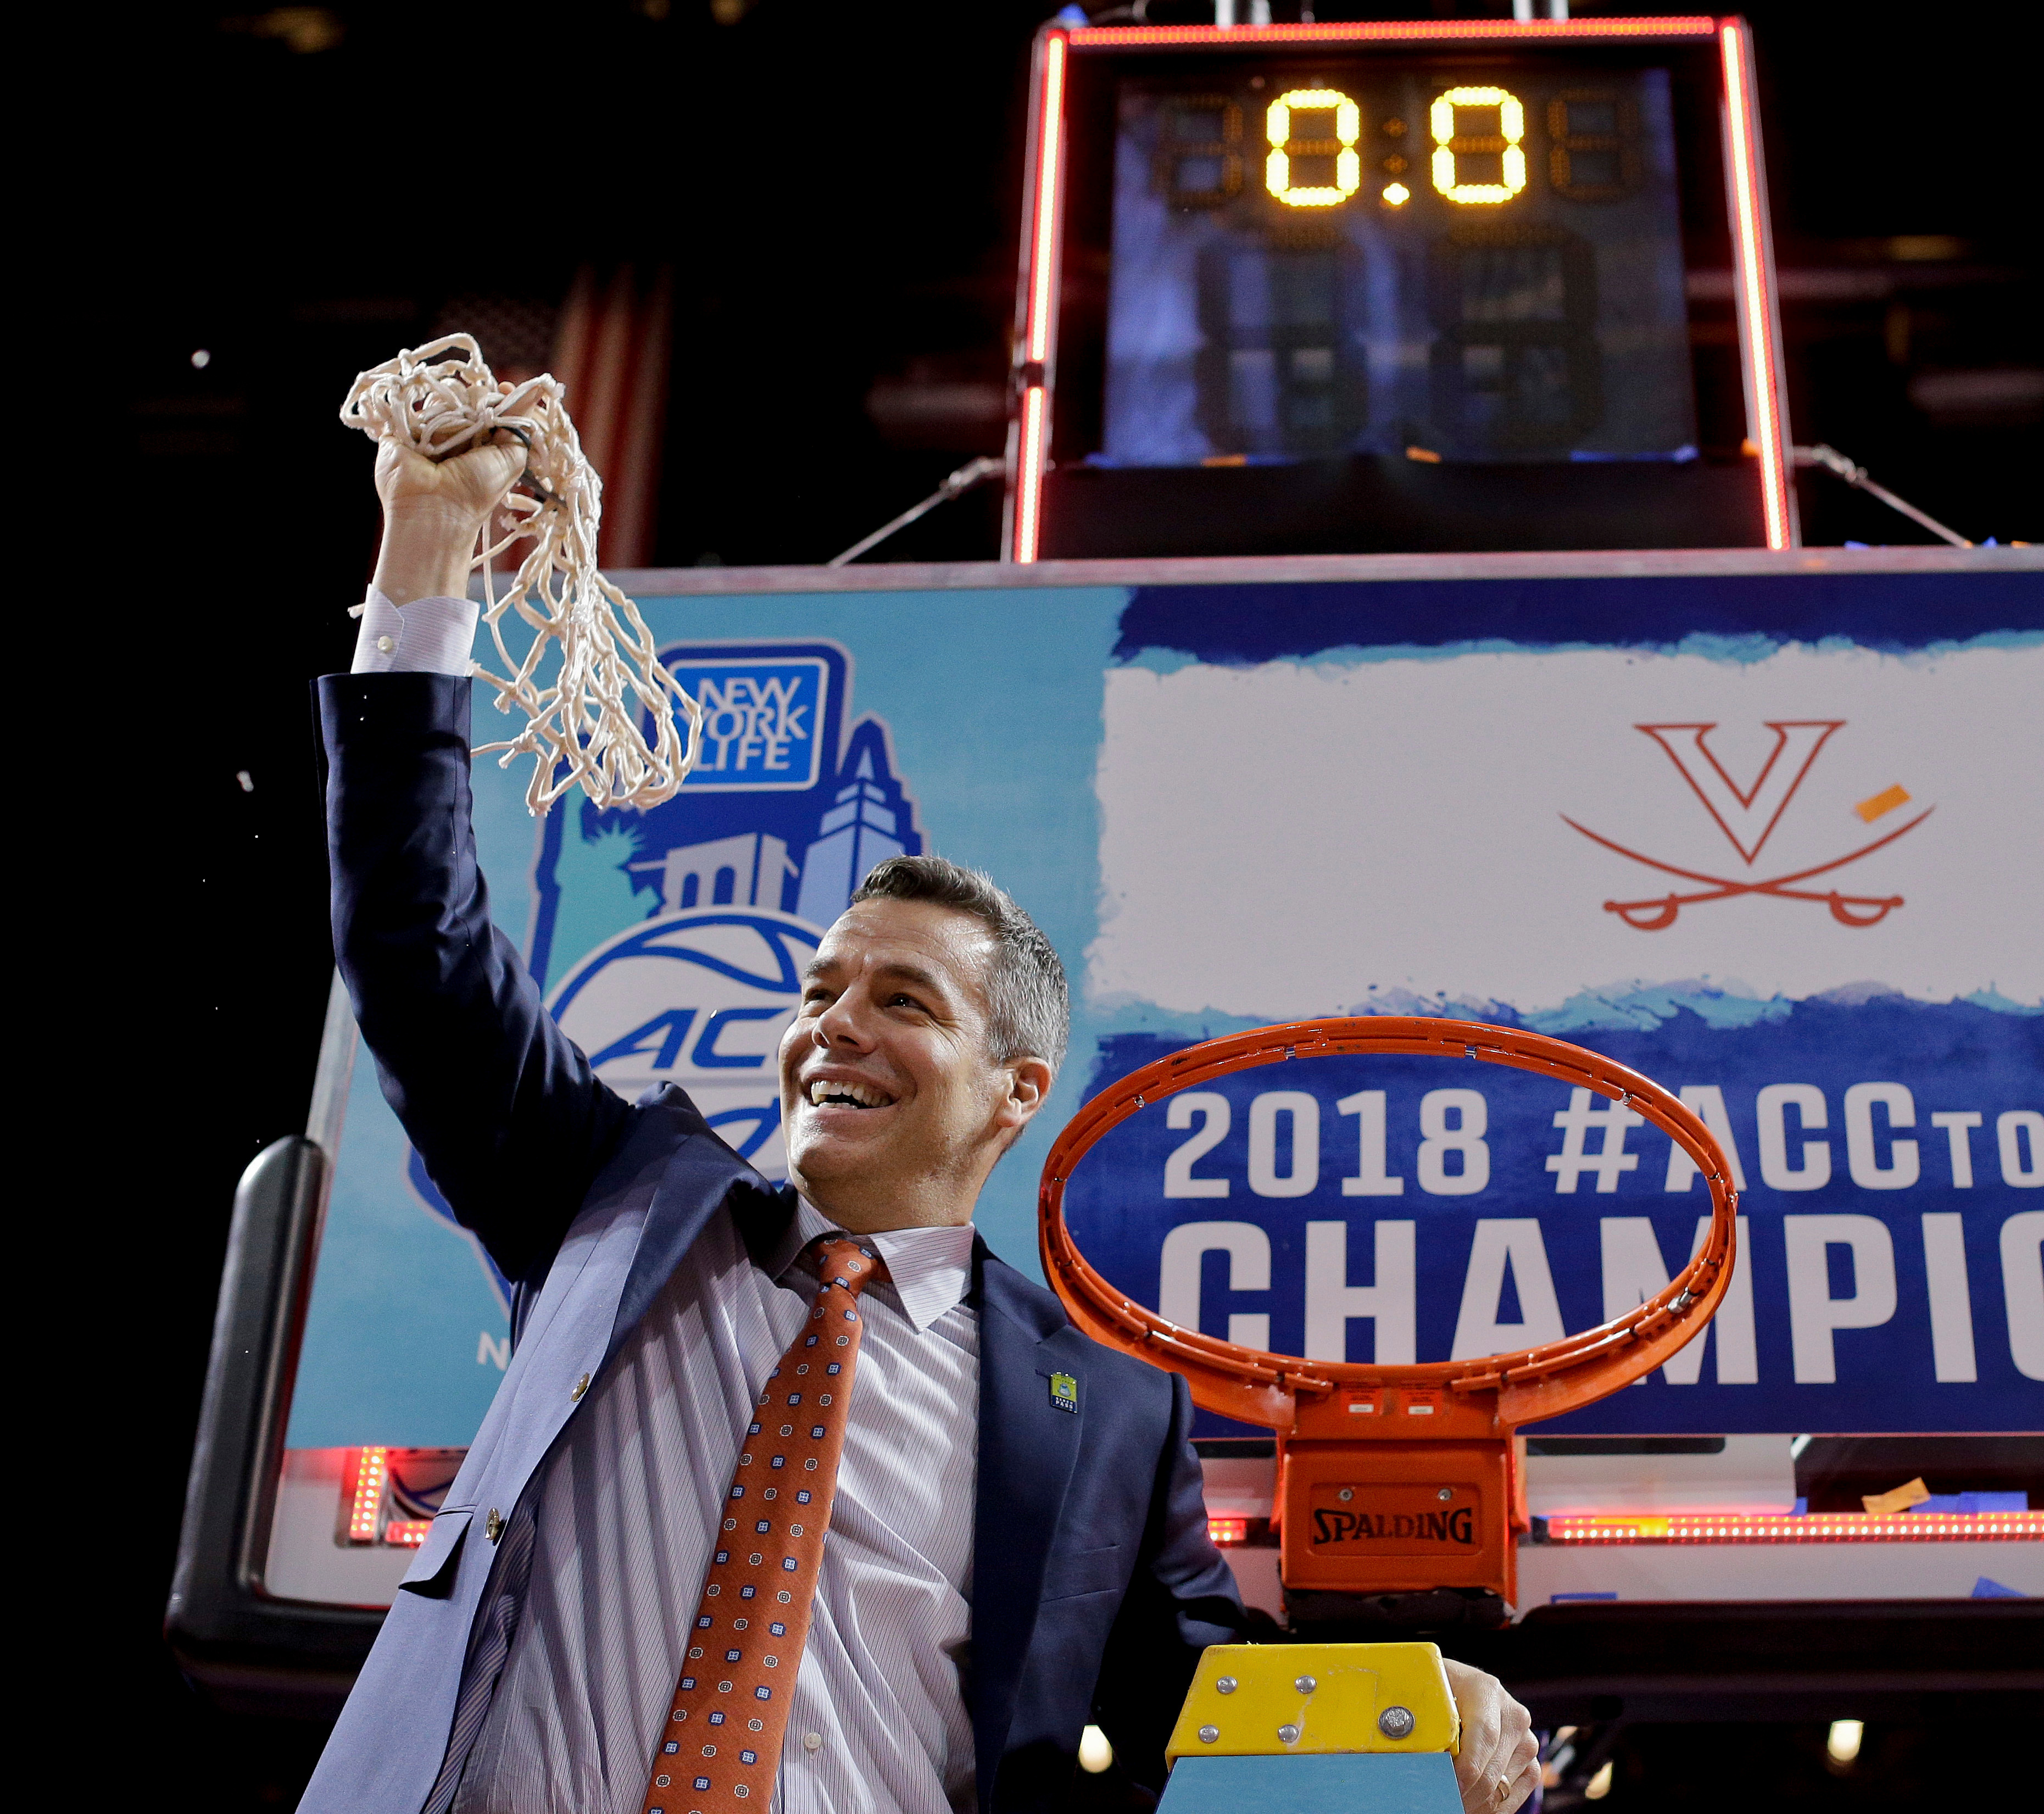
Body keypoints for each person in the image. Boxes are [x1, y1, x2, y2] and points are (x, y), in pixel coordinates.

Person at [298, 431, 1542, 1814]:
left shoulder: (1108, 1419)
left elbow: (1199, 1697)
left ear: (1015, 1088)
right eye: (822, 988)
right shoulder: (614, 1207)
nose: (835, 1023)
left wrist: (1421, 1700)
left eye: (903, 998)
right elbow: (420, 953)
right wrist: (422, 548)